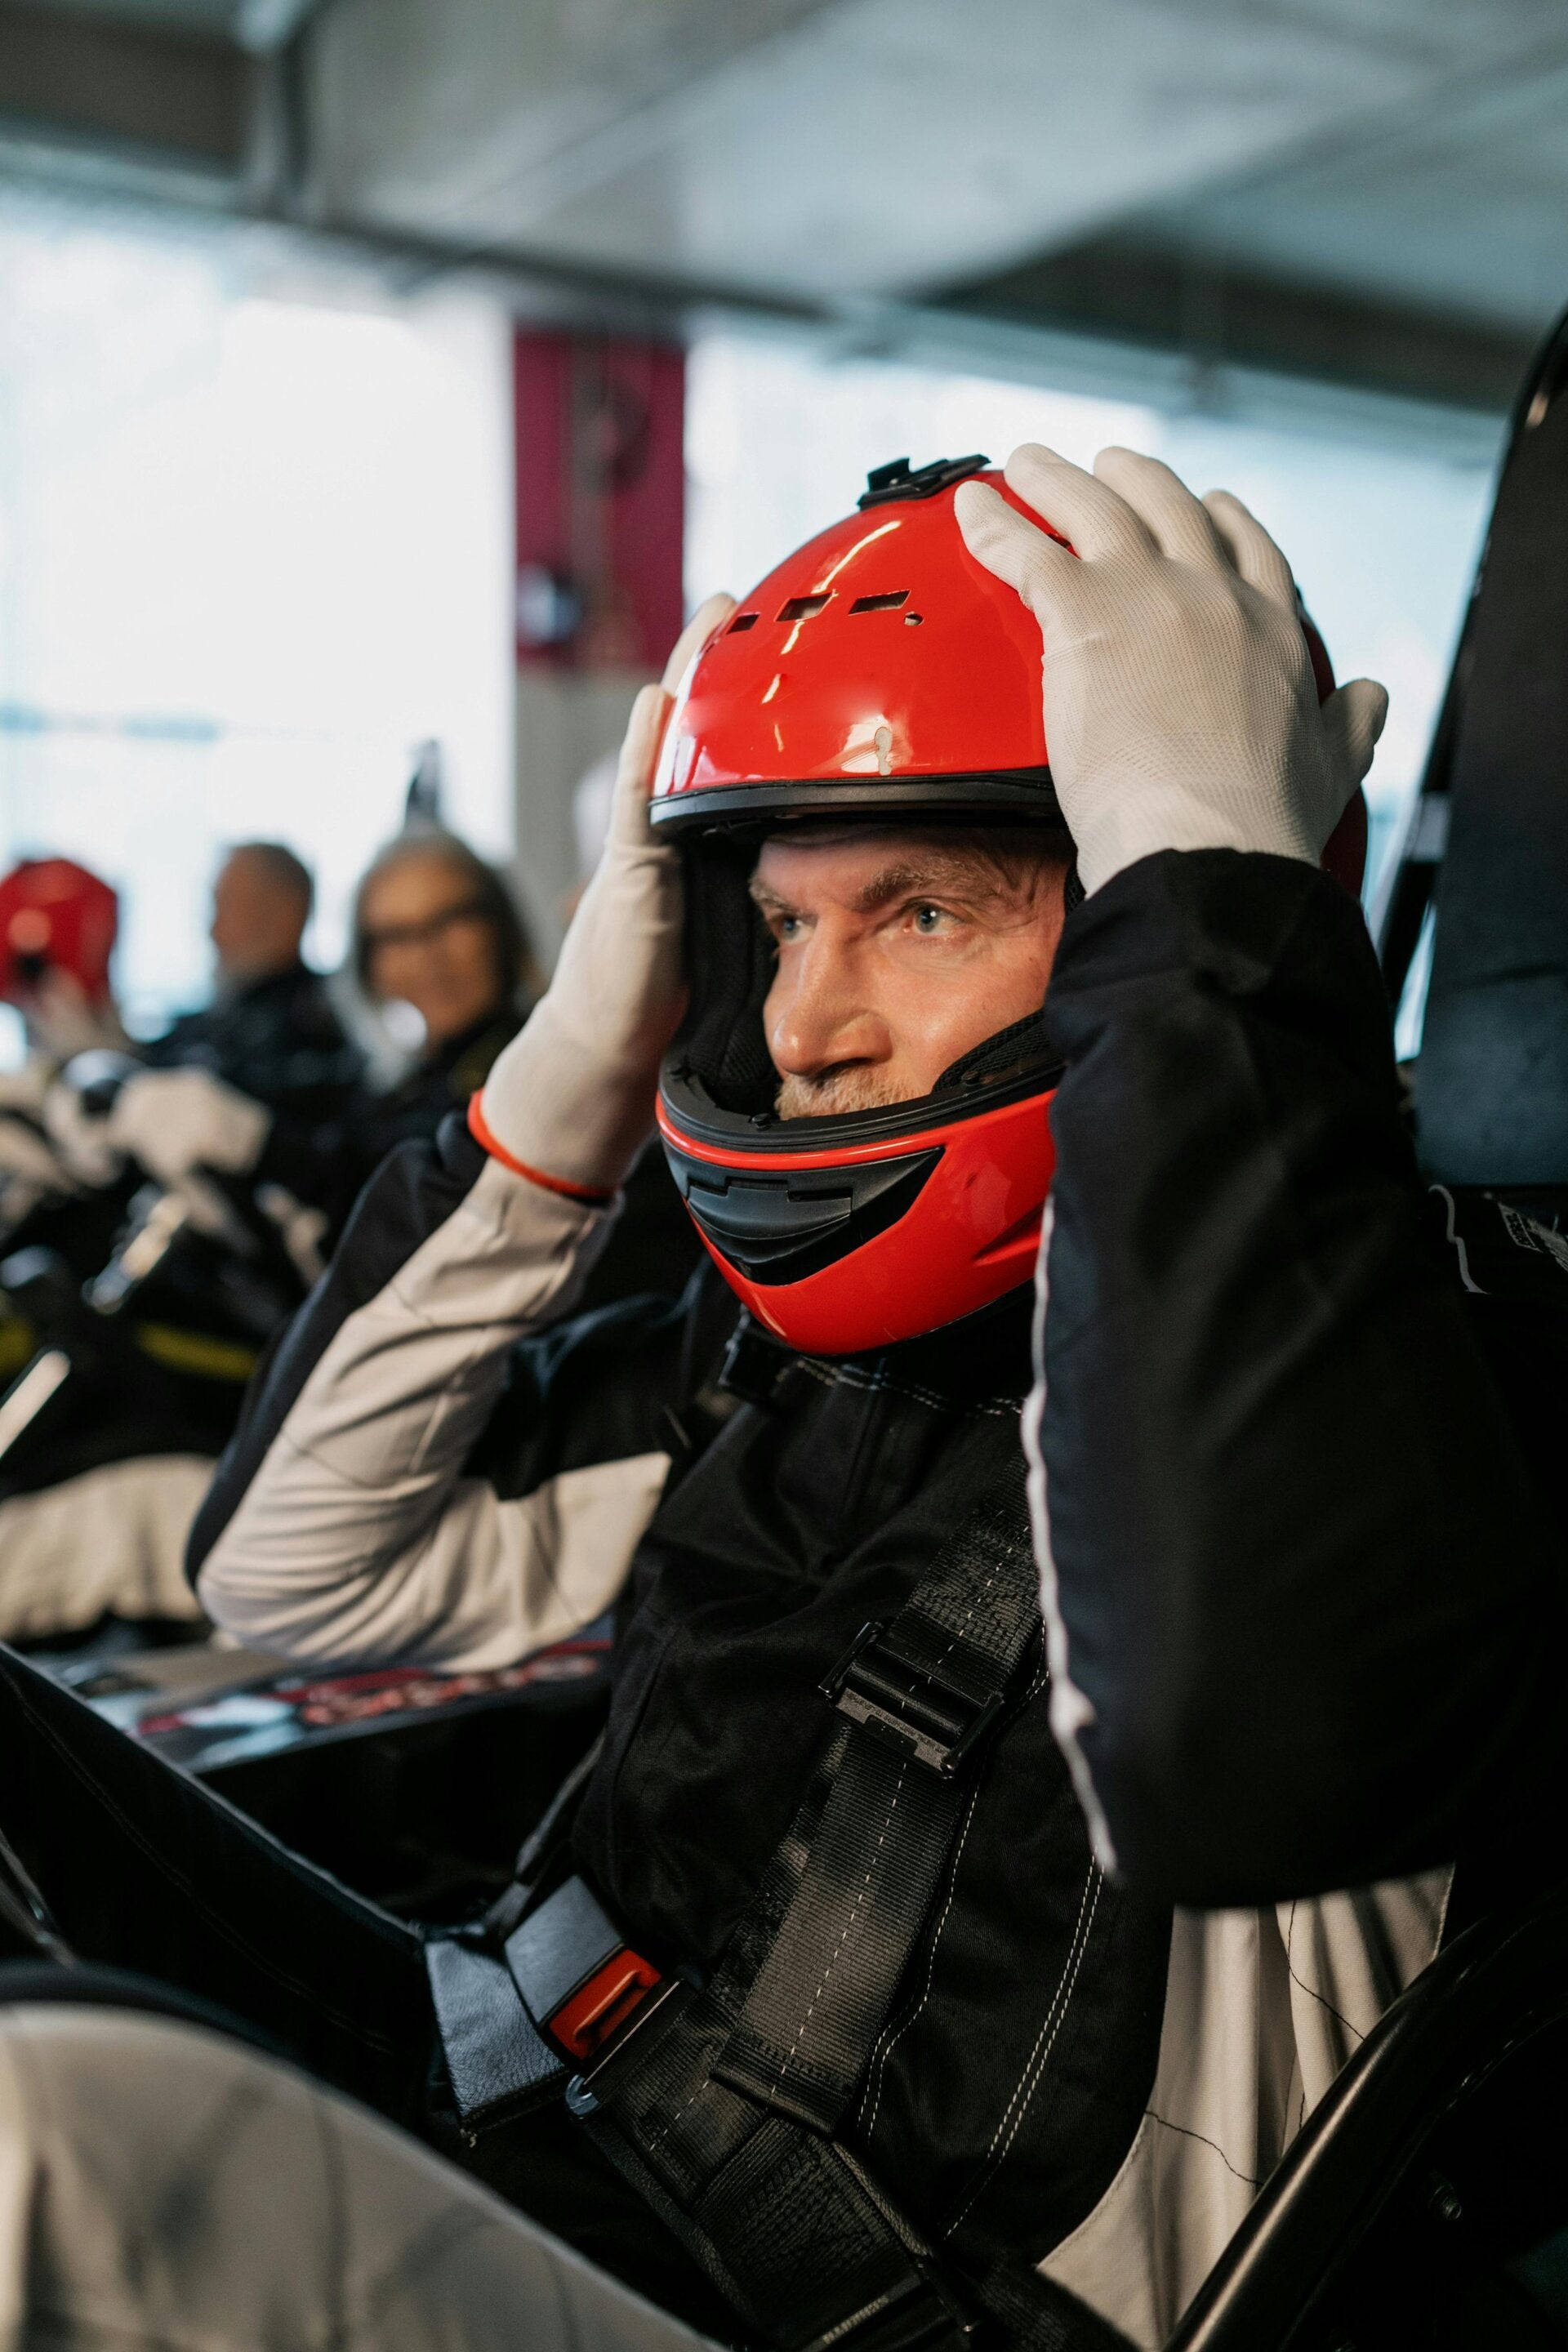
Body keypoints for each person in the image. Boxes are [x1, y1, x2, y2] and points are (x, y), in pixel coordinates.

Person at [0, 443, 1509, 2352]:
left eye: (925, 913)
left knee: (33, 2140)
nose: (802, 1028)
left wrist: (1222, 926)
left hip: (808, 2316)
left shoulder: (1427, 1377)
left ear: (1155, 900)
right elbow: (290, 1572)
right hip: (506, 2091)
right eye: (785, 927)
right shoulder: (784, 1365)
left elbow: (1239, 1748)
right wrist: (579, 1050)